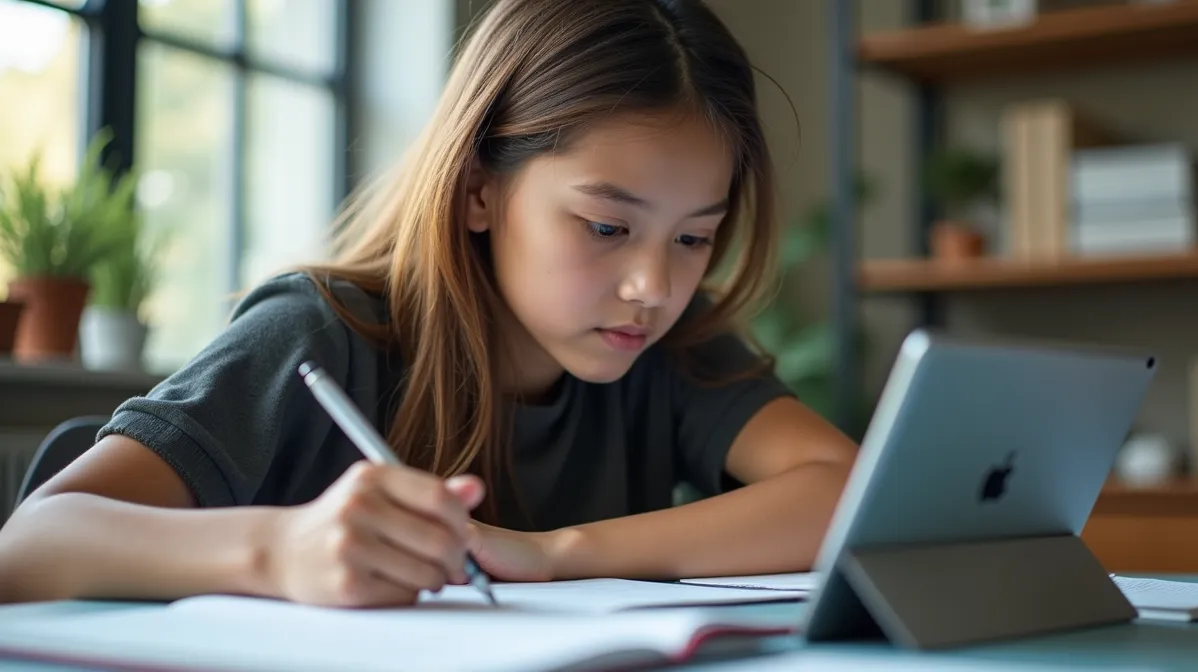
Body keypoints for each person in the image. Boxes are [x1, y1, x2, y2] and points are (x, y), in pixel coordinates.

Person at [0, 0, 858, 607]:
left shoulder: (672, 345)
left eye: (693, 237)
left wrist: (557, 555)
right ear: (479, 188)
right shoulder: (319, 332)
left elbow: (842, 488)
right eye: (605, 227)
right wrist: (279, 551)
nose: (655, 287)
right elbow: (29, 547)